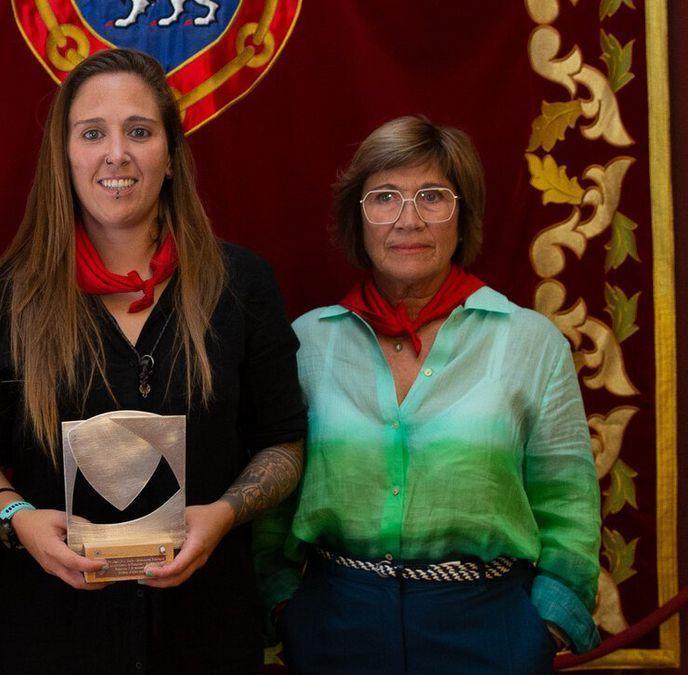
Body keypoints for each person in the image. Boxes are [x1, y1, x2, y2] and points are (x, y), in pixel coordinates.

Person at [0, 48, 308, 674]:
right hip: (49, 634)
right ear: (65, 156)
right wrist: (19, 519)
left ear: (170, 155)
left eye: (139, 132)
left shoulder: (242, 286)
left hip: (206, 632)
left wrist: (222, 515)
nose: (117, 154)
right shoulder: (7, 300)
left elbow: (284, 443)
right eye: (93, 133)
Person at [254, 115, 601, 674]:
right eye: (384, 197)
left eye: (433, 197)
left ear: (462, 216)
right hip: (334, 624)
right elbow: (274, 502)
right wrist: (283, 605)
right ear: (358, 219)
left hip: (490, 627)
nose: (408, 219)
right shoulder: (307, 343)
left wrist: (545, 627)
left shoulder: (529, 342)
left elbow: (568, 502)